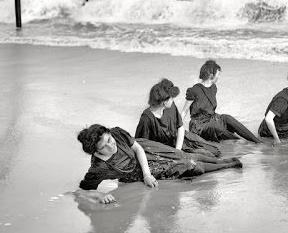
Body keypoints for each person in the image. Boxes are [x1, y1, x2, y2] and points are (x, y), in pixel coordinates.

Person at [76, 125, 243, 204]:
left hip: (146, 153)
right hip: (136, 172)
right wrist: (99, 196)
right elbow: (81, 191)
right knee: (190, 166)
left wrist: (148, 174)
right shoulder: (98, 168)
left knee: (184, 155)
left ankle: (221, 161)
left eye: (109, 139)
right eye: (104, 146)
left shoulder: (117, 133)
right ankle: (226, 165)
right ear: (95, 151)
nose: (111, 145)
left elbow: (137, 148)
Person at [136, 79, 221, 158]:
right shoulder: (146, 119)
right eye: (172, 98)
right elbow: (143, 146)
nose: (173, 100)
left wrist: (178, 150)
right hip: (165, 150)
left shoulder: (170, 106)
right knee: (203, 158)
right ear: (164, 102)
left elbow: (180, 127)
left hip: (179, 141)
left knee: (214, 152)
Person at [182, 60, 262, 143]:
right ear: (211, 74)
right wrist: (178, 128)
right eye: (218, 74)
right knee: (215, 126)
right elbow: (184, 111)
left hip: (211, 118)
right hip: (198, 125)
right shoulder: (194, 90)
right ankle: (240, 142)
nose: (219, 77)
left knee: (227, 118)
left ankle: (256, 141)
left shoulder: (213, 88)